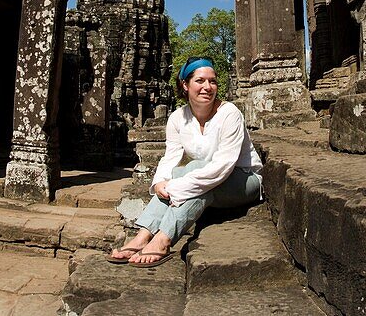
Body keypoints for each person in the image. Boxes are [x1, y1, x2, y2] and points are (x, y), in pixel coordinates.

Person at [108, 57, 262, 267]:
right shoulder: (178, 118)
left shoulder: (229, 114)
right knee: (184, 174)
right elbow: (171, 157)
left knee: (193, 171)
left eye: (213, 81)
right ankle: (142, 236)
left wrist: (177, 186)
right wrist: (161, 182)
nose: (208, 87)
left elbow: (222, 167)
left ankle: (163, 239)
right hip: (208, 180)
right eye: (200, 81)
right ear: (185, 85)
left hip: (243, 181)